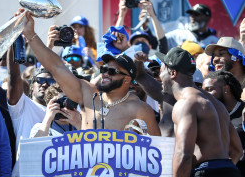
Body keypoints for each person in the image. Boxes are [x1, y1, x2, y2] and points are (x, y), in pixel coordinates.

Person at [16, 9, 161, 135]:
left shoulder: (140, 109)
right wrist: (30, 34)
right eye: (104, 69)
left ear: (127, 80)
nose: (105, 73)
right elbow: (56, 67)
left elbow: (158, 150)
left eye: (112, 71)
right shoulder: (88, 94)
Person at [155, 47, 241, 176]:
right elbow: (237, 151)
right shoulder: (216, 103)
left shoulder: (186, 103)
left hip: (206, 172)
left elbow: (184, 155)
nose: (159, 77)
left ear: (172, 73)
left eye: (161, 71)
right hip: (230, 170)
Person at [6, 47, 54, 176]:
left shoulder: (62, 110)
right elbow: (14, 77)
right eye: (40, 81)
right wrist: (14, 44)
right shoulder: (22, 106)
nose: (44, 84)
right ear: (31, 85)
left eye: (50, 82)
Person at [202, 70, 245, 175]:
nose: (204, 95)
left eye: (209, 89)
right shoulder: (209, 115)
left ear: (226, 89)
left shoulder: (243, 112)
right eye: (203, 91)